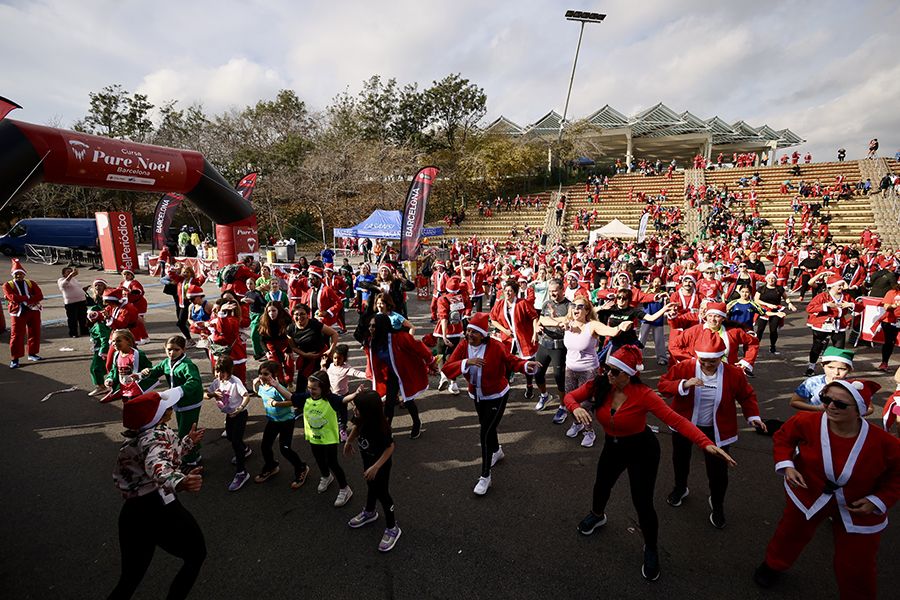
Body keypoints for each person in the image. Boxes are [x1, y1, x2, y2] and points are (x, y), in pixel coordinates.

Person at [564, 345, 735, 581]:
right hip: (613, 447)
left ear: (629, 374)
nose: (608, 374)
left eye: (614, 371)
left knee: (642, 501)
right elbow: (570, 395)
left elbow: (676, 420)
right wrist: (574, 408)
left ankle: (651, 547)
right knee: (601, 485)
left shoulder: (644, 395)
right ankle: (597, 514)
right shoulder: (600, 384)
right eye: (607, 369)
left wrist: (706, 443)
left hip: (641, 450)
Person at [754, 379, 900, 600]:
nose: (831, 406)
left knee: (856, 561)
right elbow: (784, 438)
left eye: (841, 404)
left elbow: (897, 477)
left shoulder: (886, 443)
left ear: (859, 409)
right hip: (808, 493)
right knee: (790, 533)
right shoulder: (806, 421)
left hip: (858, 507)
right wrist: (787, 464)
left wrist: (878, 500)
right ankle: (773, 565)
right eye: (826, 399)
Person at [108, 388, 206, 600]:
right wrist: (180, 481)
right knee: (197, 554)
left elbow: (162, 454)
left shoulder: (141, 434)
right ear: (160, 416)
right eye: (167, 407)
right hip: (158, 507)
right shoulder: (155, 439)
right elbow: (158, 465)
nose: (171, 408)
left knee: (130, 578)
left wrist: (188, 442)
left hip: (133, 512)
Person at [658, 334, 765, 528]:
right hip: (685, 425)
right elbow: (663, 386)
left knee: (718, 472)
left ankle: (717, 503)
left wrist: (753, 416)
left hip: (717, 430)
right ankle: (680, 488)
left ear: (721, 357)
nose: (708, 364)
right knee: (680, 459)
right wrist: (683, 384)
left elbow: (747, 395)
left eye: (713, 361)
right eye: (704, 360)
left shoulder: (733, 373)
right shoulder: (685, 367)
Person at [442, 313, 540, 496]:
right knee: (488, 427)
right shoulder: (464, 346)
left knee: (485, 432)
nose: (469, 335)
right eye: (468, 331)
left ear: (483, 334)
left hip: (497, 395)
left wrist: (525, 366)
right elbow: (447, 368)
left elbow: (511, 360)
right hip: (477, 395)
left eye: (474, 332)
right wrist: (466, 362)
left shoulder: (496, 346)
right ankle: (497, 451)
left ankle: (485, 476)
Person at [343, 389, 401, 552]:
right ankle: (369, 512)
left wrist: (376, 467)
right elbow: (356, 427)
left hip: (380, 465)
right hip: (368, 461)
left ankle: (392, 527)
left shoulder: (381, 427)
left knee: (383, 494)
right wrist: (349, 441)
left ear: (368, 411)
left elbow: (390, 448)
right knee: (370, 486)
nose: (354, 410)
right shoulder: (362, 417)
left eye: (357, 408)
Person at [363, 313, 437, 439]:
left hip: (405, 372)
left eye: (374, 326)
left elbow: (419, 348)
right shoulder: (372, 342)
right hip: (391, 375)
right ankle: (387, 431)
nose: (370, 328)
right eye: (370, 326)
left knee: (408, 400)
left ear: (382, 326)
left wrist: (431, 363)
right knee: (389, 403)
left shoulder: (400, 338)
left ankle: (416, 422)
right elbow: (373, 362)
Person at [137, 335, 205, 467]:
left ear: (184, 350)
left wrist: (180, 390)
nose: (172, 353)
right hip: (177, 401)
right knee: (185, 427)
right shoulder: (166, 362)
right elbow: (156, 371)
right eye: (169, 349)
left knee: (185, 430)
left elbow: (195, 382)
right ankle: (194, 453)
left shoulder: (188, 365)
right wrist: (146, 372)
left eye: (176, 350)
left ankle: (190, 461)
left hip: (190, 402)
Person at [252, 360, 311, 489]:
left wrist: (277, 404)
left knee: (285, 449)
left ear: (273, 376)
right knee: (265, 446)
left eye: (266, 374)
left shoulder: (278, 388)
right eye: (260, 373)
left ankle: (301, 468)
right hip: (272, 420)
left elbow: (292, 401)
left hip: (286, 422)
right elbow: (259, 394)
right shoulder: (262, 386)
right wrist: (254, 385)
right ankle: (271, 466)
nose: (262, 376)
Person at [297, 370, 353, 507]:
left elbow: (343, 400)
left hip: (329, 439)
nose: (311, 391)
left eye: (314, 388)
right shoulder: (306, 397)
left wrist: (356, 394)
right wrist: (275, 384)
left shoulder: (331, 399)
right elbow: (292, 397)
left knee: (332, 462)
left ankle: (345, 489)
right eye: (309, 388)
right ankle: (326, 476)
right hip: (314, 437)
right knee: (319, 458)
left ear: (323, 388)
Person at [205, 356, 252, 492]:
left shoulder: (235, 381)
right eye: (217, 372)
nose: (219, 375)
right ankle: (245, 449)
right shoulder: (217, 382)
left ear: (230, 371)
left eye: (223, 372)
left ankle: (242, 473)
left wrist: (239, 409)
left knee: (235, 441)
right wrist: (213, 394)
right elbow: (206, 395)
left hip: (240, 415)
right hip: (229, 415)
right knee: (231, 437)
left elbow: (246, 396)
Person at [489, 280, 540, 399]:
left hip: (524, 337)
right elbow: (493, 320)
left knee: (527, 362)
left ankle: (529, 385)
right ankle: (505, 386)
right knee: (506, 362)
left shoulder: (523, 303)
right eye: (506, 291)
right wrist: (505, 330)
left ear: (515, 292)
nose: (507, 293)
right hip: (508, 339)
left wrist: (535, 334)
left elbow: (534, 317)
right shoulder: (500, 304)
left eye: (510, 291)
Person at [804, 275, 860, 376]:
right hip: (823, 325)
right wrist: (826, 306)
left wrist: (851, 305)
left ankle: (835, 371)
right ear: (832, 286)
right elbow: (809, 308)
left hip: (839, 326)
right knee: (817, 347)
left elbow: (861, 307)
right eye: (839, 285)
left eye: (842, 285)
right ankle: (811, 367)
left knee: (839, 349)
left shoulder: (846, 297)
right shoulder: (822, 296)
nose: (842, 287)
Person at [286, 303, 339, 396]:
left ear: (307, 315)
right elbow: (293, 347)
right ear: (293, 316)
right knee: (301, 384)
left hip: (322, 357)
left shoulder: (315, 324)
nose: (299, 317)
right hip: (305, 358)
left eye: (302, 314)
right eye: (296, 314)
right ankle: (301, 405)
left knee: (323, 384)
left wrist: (331, 349)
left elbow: (334, 334)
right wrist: (305, 354)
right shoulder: (290, 329)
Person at [533, 279, 569, 412]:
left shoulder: (569, 306)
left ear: (561, 290)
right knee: (537, 373)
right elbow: (540, 319)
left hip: (559, 347)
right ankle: (544, 395)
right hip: (544, 344)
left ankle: (563, 405)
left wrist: (552, 320)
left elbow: (567, 322)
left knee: (559, 377)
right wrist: (537, 327)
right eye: (551, 291)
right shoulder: (546, 303)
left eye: (555, 290)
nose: (553, 293)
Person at [4, 258, 44, 368]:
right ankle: (15, 359)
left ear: (24, 274)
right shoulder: (7, 285)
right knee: (16, 335)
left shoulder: (31, 283)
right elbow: (12, 298)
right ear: (13, 274)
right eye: (16, 274)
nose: (19, 275)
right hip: (18, 313)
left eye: (21, 273)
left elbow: (40, 296)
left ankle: (32, 353)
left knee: (35, 332)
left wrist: (24, 299)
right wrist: (29, 297)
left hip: (33, 311)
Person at [789, 347, 854, 412]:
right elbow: (794, 401)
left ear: (850, 370)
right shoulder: (812, 382)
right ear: (822, 366)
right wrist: (817, 408)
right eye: (831, 367)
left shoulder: (853, 386)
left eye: (842, 369)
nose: (836, 372)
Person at [754, 272, 796, 355]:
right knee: (760, 330)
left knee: (773, 330)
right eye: (769, 278)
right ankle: (756, 346)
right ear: (766, 279)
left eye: (773, 278)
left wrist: (790, 303)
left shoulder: (779, 288)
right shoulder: (761, 288)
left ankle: (772, 346)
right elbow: (756, 300)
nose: (771, 280)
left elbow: (785, 297)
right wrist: (767, 304)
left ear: (775, 279)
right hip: (764, 310)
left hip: (776, 310)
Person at [259, 302, 294, 387]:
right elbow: (261, 339)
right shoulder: (264, 320)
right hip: (271, 345)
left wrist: (289, 350)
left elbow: (291, 336)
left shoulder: (286, 319)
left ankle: (289, 381)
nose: (271, 313)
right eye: (269, 311)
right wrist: (266, 352)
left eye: (274, 310)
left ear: (279, 311)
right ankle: (281, 383)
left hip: (284, 343)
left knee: (289, 364)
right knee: (275, 366)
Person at [57, 266, 88, 338]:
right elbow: (64, 285)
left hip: (81, 301)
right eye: (68, 272)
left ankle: (84, 331)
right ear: (63, 274)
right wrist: (71, 275)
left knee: (83, 318)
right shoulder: (61, 280)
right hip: (71, 303)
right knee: (72, 319)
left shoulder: (74, 279)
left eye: (71, 271)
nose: (70, 273)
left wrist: (83, 290)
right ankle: (73, 333)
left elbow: (77, 288)